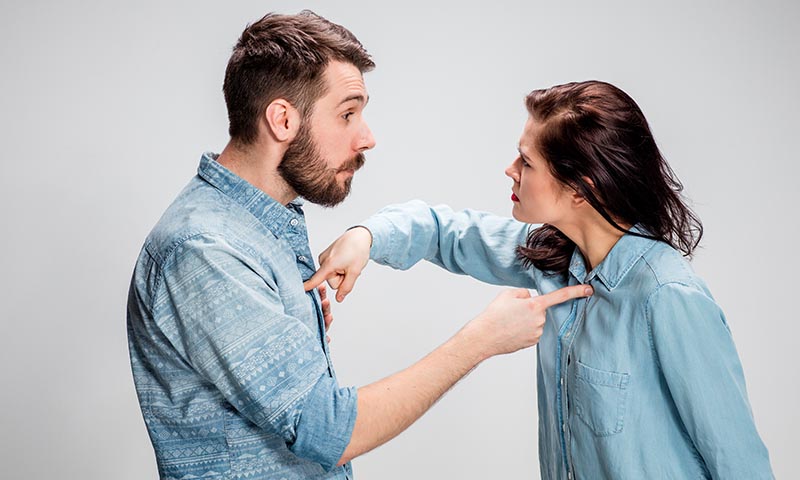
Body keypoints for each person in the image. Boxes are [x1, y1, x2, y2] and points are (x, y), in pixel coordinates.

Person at [126, 11, 592, 480]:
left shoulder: (257, 227)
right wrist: (480, 341)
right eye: (348, 113)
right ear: (282, 119)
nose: (367, 137)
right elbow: (327, 429)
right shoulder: (205, 249)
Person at [307, 81, 774, 479]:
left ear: (579, 188)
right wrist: (365, 236)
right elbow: (444, 231)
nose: (510, 171)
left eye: (526, 163)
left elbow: (739, 464)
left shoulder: (669, 297)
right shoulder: (550, 255)